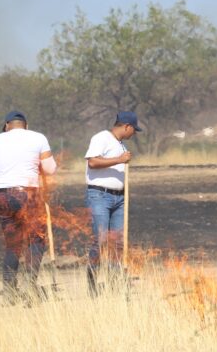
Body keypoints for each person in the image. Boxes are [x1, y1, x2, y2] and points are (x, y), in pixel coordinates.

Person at [0, 110, 57, 305]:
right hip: (29, 194)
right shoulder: (38, 138)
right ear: (26, 125)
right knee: (36, 242)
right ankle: (31, 288)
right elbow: (50, 169)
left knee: (13, 245)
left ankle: (10, 294)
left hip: (4, 195)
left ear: (6, 125)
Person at [84, 110, 142, 296]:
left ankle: (116, 282)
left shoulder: (121, 145)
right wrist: (119, 160)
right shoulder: (102, 137)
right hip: (100, 196)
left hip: (119, 198)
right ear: (126, 126)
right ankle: (92, 282)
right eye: (134, 130)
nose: (134, 134)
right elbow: (92, 162)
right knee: (101, 240)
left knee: (117, 242)